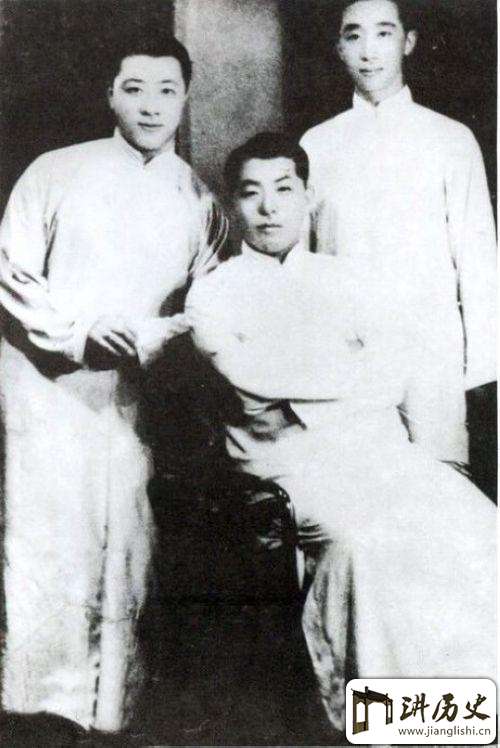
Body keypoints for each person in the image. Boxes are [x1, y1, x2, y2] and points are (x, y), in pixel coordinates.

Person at [185, 132, 495, 735]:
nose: (269, 208)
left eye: (284, 190)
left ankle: (469, 715)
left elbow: (391, 373)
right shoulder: (214, 293)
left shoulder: (349, 279)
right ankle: (390, 724)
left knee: (476, 525)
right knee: (373, 545)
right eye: (251, 193)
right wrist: (345, 375)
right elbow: (250, 389)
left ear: (307, 196)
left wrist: (300, 390)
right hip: (288, 466)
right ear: (233, 203)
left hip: (380, 455)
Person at [0, 32, 227, 733]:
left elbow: (212, 303)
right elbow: (12, 271)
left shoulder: (199, 197)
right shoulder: (56, 171)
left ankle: (112, 711)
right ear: (110, 94)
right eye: (134, 89)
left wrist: (153, 339)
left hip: (137, 397)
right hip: (49, 389)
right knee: (46, 542)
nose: (151, 105)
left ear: (185, 99)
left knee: (130, 545)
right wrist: (78, 333)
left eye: (167, 90)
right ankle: (35, 709)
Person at [300, 0, 496, 468]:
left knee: (441, 481)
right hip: (348, 352)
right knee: (357, 483)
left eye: (384, 34)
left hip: (430, 351)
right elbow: (301, 263)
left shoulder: (451, 139)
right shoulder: (315, 145)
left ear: (408, 42)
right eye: (353, 35)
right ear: (339, 47)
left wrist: (485, 368)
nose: (368, 51)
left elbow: (479, 258)